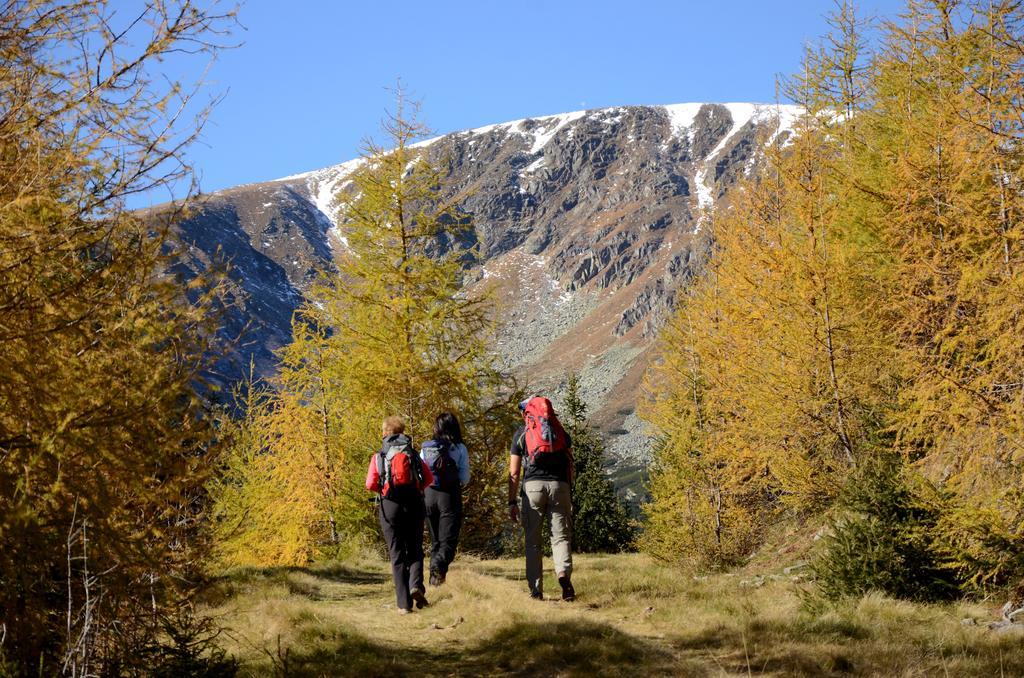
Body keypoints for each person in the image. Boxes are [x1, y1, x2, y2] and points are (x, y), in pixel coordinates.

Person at [508, 396, 576, 601]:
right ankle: (563, 574)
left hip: (533, 489)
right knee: (560, 537)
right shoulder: (560, 433)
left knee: (533, 542)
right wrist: (568, 491)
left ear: (526, 413)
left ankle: (536, 590)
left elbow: (514, 472)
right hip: (559, 486)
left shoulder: (522, 434)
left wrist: (511, 501)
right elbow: (570, 464)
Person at [365, 415, 434, 614]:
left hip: (390, 506)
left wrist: (384, 488)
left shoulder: (379, 456)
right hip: (413, 503)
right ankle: (415, 585)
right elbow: (428, 478)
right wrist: (415, 488)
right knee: (415, 548)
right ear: (402, 431)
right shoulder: (412, 453)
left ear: (385, 433)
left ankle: (403, 604)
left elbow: (370, 483)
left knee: (396, 554)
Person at [420, 412, 471, 586]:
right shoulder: (459, 448)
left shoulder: (426, 448)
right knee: (448, 541)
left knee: (436, 542)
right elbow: (465, 478)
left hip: (428, 495)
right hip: (449, 496)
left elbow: (420, 472)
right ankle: (437, 566)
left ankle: (435, 583)